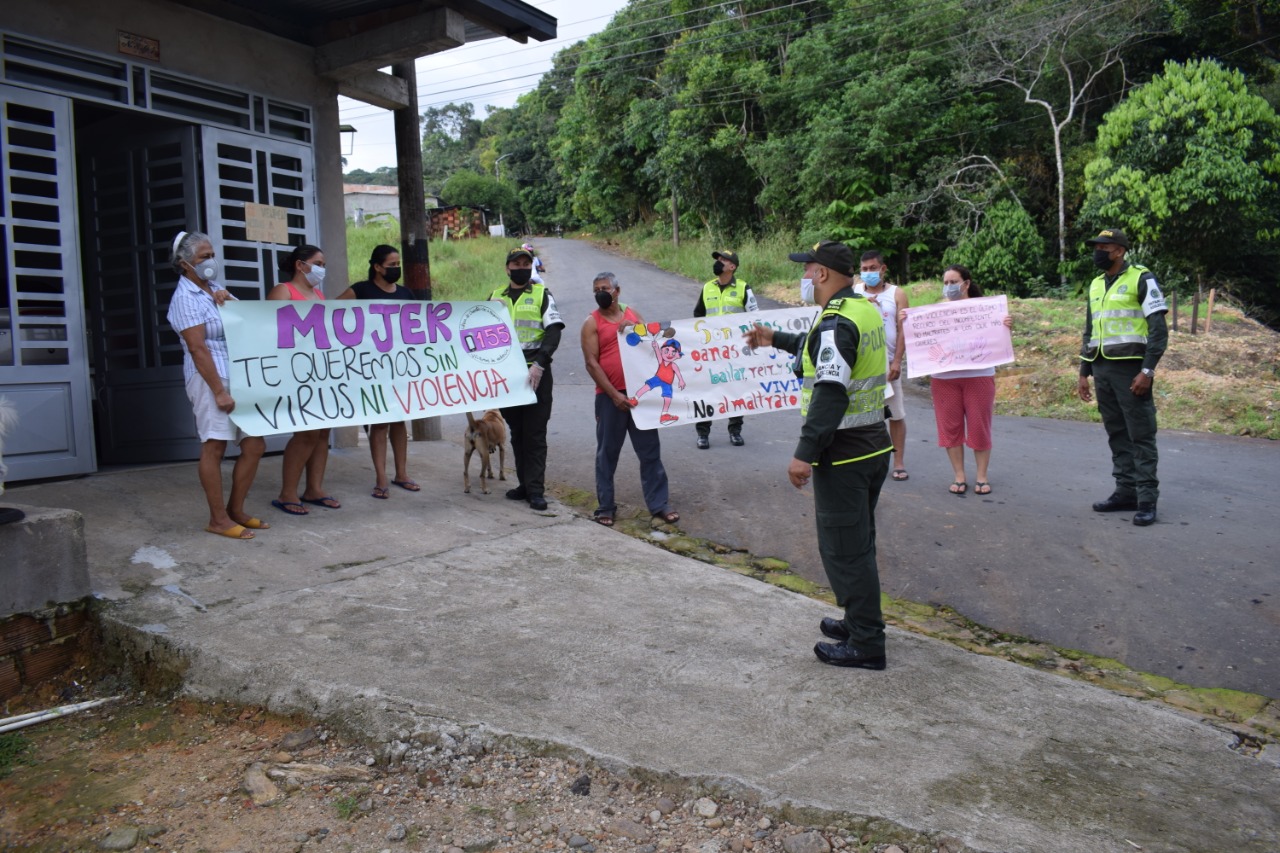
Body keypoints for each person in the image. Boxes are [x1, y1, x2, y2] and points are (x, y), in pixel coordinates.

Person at [743, 240, 893, 670]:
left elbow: (829, 390)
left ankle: (867, 643)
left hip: (843, 455)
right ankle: (859, 620)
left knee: (845, 549)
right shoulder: (859, 310)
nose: (804, 278)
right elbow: (821, 351)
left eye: (807, 271)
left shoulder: (835, 322)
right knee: (858, 543)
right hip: (871, 446)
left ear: (823, 274)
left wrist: (803, 454)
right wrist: (775, 338)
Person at [166, 230, 267, 540]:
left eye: (211, 255)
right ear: (185, 264)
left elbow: (246, 321)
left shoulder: (216, 289)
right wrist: (219, 391)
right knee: (215, 444)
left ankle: (236, 508)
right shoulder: (184, 298)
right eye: (203, 258)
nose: (210, 262)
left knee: (254, 443)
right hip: (211, 378)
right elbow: (198, 348)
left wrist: (226, 300)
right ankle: (218, 518)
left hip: (238, 375)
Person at [1076, 227, 1168, 527]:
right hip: (1101, 368)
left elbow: (1158, 330)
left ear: (1119, 250)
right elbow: (1090, 331)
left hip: (1131, 371)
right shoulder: (1096, 284)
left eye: (1104, 247)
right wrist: (1084, 371)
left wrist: (1148, 370)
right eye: (1096, 246)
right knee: (1116, 432)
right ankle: (1125, 492)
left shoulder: (1141, 278)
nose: (1098, 251)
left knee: (1140, 434)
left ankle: (1146, 500)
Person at [581, 272, 678, 527]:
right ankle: (605, 507)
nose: (600, 293)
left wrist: (636, 330)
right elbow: (591, 364)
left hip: (639, 397)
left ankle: (660, 504)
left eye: (604, 288)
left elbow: (651, 345)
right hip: (609, 399)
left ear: (617, 291)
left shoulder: (633, 314)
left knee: (650, 452)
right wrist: (614, 395)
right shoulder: (591, 323)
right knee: (606, 454)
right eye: (596, 289)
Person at [913, 265, 1013, 496]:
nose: (948, 287)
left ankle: (982, 476)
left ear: (966, 284)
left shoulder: (986, 310)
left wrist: (1006, 325)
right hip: (944, 379)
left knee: (980, 426)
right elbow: (919, 337)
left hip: (979, 376)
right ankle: (959, 475)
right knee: (950, 426)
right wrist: (906, 320)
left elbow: (998, 338)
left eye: (953, 282)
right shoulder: (934, 313)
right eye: (945, 282)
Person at [337, 245, 420, 500]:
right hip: (371, 368)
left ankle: (402, 473)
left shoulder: (406, 294)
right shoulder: (360, 290)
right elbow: (330, 314)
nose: (396, 269)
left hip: (400, 366)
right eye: (391, 265)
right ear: (377, 267)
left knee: (399, 419)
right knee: (380, 422)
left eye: (398, 265)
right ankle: (381, 477)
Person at [490, 246, 564, 511]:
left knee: (535, 434)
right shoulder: (495, 296)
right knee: (517, 433)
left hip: (535, 376)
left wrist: (541, 364)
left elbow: (553, 331)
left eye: (525, 264)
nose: (521, 268)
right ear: (507, 268)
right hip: (508, 378)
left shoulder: (542, 294)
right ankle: (523, 484)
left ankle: (535, 490)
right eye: (516, 264)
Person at [268, 245, 339, 516]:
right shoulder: (283, 291)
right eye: (318, 262)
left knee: (323, 431)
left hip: (320, 372)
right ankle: (288, 492)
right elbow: (269, 331)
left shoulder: (318, 294)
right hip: (294, 373)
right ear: (301, 265)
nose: (322, 268)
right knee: (306, 432)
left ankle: (314, 489)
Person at [693, 250, 758, 448]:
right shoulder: (707, 288)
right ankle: (703, 433)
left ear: (732, 267)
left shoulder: (743, 288)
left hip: (735, 352)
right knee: (706, 391)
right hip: (711, 351)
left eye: (723, 260)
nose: (719, 263)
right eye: (718, 260)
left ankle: (735, 431)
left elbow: (755, 317)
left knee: (736, 390)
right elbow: (697, 316)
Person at [855, 250, 910, 481]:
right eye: (864, 269)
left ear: (883, 268)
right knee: (863, 414)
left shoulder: (897, 294)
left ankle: (898, 462)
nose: (868, 273)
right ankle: (866, 459)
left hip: (887, 364)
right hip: (863, 364)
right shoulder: (854, 293)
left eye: (872, 268)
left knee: (895, 414)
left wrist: (897, 360)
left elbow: (903, 329)